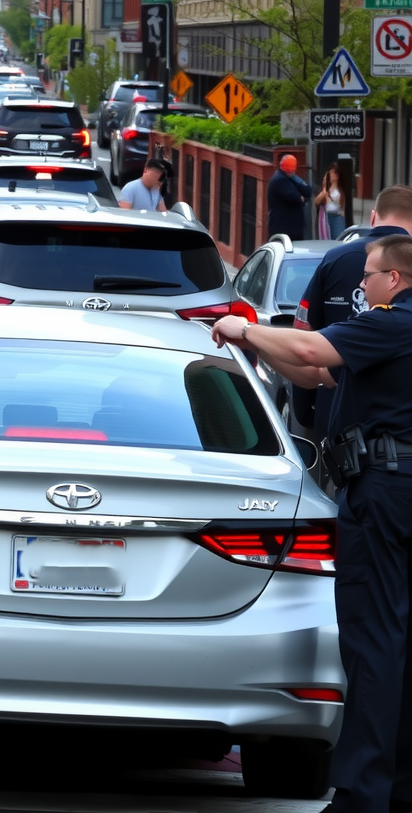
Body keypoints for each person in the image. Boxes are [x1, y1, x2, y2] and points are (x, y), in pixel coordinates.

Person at [211, 233, 412, 813]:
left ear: (393, 280)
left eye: (368, 277)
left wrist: (243, 330)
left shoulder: (391, 324)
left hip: (385, 491)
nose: (361, 287)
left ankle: (360, 796)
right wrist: (258, 346)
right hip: (399, 488)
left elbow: (309, 353)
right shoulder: (388, 338)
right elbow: (315, 376)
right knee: (397, 645)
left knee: (374, 644)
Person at [293, 185, 412, 443]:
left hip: (338, 411)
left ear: (372, 217)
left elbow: (304, 331)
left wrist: (304, 408)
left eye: (367, 277)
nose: (363, 284)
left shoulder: (334, 258)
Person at [267, 153, 312, 241]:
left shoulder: (289, 178)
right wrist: (301, 198)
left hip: (291, 228)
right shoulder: (280, 180)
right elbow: (296, 198)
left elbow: (307, 190)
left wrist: (302, 197)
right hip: (285, 229)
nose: (292, 172)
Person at [315, 162, 346, 239]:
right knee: (327, 236)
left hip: (337, 216)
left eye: (333, 172)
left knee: (338, 237)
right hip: (326, 216)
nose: (331, 174)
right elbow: (316, 202)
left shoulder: (341, 190)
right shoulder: (326, 189)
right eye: (330, 172)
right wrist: (324, 191)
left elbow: (342, 203)